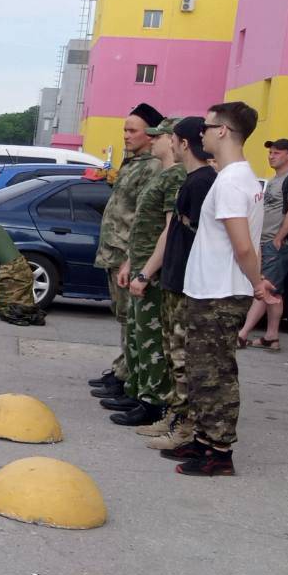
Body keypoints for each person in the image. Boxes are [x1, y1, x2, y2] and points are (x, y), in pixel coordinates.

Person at [171, 101, 279, 477]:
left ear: (223, 131)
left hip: (219, 292)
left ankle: (219, 452)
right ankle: (204, 440)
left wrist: (257, 284)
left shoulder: (232, 182)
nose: (201, 132)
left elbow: (243, 246)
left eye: (206, 125)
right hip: (212, 288)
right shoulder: (238, 177)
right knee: (202, 371)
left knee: (214, 373)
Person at [129, 116, 210, 452]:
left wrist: (146, 273)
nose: (168, 143)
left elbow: (188, 234)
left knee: (182, 360)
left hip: (187, 282)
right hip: (174, 278)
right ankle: (174, 417)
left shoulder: (201, 182)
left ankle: (185, 428)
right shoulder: (190, 179)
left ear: (183, 143)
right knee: (172, 355)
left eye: (172, 138)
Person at [109, 119, 187, 427]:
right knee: (137, 335)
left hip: (153, 271)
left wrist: (146, 271)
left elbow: (168, 229)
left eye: (159, 136)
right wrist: (131, 262)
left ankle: (153, 401)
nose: (152, 141)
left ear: (172, 140)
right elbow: (142, 225)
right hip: (141, 264)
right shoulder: (164, 174)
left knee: (152, 339)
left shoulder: (176, 176)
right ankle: (137, 390)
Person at [91, 102, 164, 403]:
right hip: (115, 250)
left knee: (132, 321)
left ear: (151, 134)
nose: (126, 135)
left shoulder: (153, 166)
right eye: (125, 129)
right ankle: (123, 370)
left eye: (132, 130)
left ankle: (129, 377)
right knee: (123, 317)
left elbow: (145, 217)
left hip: (128, 253)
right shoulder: (133, 162)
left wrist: (131, 257)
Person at [239, 138, 288, 351]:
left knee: (264, 288)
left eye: (277, 152)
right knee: (274, 292)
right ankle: (272, 337)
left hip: (277, 244)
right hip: (267, 242)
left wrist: (278, 238)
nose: (271, 156)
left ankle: (242, 334)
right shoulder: (275, 179)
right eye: (270, 152)